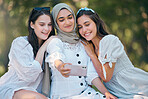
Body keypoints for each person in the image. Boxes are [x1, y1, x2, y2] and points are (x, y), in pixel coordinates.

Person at [45, 3, 117, 99]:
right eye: (61, 20)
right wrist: (60, 66)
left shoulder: (83, 43)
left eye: (70, 17)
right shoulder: (55, 41)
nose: (67, 22)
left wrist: (106, 93)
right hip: (64, 96)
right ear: (56, 23)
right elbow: (56, 57)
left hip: (86, 94)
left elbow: (91, 75)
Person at [76, 7, 148, 99]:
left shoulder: (108, 40)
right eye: (80, 27)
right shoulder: (89, 48)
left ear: (96, 23)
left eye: (87, 24)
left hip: (134, 88)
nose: (84, 30)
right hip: (117, 93)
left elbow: (106, 77)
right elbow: (91, 76)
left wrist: (92, 55)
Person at [0, 7, 55, 99]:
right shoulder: (21, 43)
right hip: (13, 88)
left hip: (36, 91)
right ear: (32, 24)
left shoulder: (52, 47)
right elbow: (29, 76)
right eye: (42, 24)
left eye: (49, 24)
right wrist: (44, 47)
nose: (46, 28)